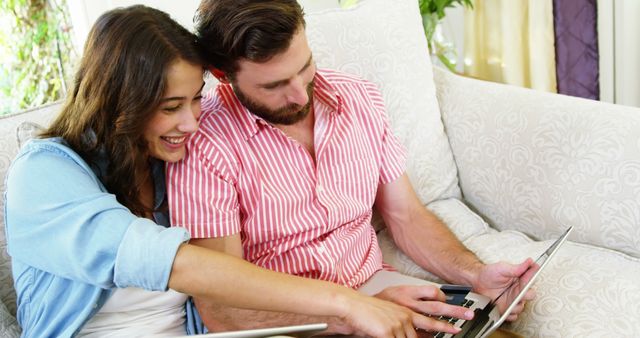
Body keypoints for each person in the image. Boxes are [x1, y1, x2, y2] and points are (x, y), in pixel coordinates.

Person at [3, 5, 448, 338]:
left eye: (196, 98)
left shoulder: (162, 167)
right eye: (170, 107)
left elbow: (217, 305)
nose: (192, 123)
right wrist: (347, 304)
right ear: (120, 104)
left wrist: (358, 308)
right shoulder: (42, 175)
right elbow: (175, 264)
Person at [167, 0, 537, 336]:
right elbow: (223, 309)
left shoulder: (359, 98)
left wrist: (476, 275)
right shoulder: (203, 144)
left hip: (374, 291)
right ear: (221, 73)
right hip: (288, 321)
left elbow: (405, 215)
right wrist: (350, 314)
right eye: (275, 85)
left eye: (305, 66)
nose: (300, 95)